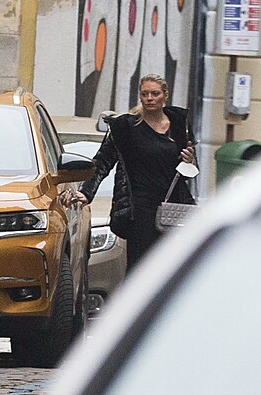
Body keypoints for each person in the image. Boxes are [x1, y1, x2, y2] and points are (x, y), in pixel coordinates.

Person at [62, 73, 197, 270]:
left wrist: (190, 160)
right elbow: (102, 162)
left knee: (172, 268)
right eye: (145, 94)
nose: (149, 98)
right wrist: (86, 192)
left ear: (165, 95)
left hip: (173, 207)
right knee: (141, 268)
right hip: (140, 208)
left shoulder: (179, 125)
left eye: (155, 93)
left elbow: (189, 170)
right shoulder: (126, 127)